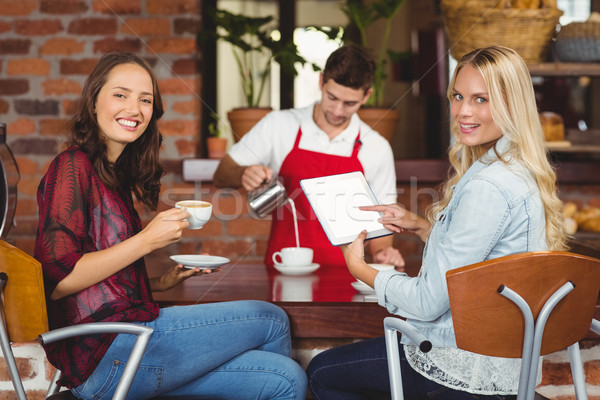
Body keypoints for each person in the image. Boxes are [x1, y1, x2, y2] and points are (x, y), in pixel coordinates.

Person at [34, 52, 307, 400]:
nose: (134, 108)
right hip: (109, 354)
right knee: (271, 320)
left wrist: (160, 283)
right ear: (94, 101)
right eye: (121, 94)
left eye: (144, 99)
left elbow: (101, 284)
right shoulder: (72, 166)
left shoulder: (113, 176)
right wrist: (147, 241)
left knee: (285, 379)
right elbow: (57, 281)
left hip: (131, 346)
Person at [306, 46, 568, 399]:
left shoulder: (487, 185)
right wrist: (421, 226)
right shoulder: (518, 169)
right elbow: (483, 258)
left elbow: (429, 302)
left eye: (480, 99)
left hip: (464, 367)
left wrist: (361, 268)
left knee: (322, 372)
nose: (462, 111)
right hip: (509, 367)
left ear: (512, 105)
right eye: (458, 96)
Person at [213, 45, 404, 269]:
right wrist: (243, 173)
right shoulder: (279, 125)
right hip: (285, 268)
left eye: (350, 103)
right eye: (331, 97)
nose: (338, 110)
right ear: (321, 82)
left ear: (367, 95)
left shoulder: (376, 147)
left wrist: (383, 253)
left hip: (349, 274)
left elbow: (381, 222)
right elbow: (221, 174)